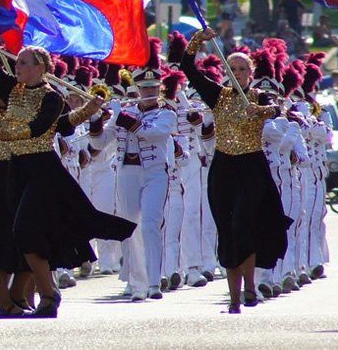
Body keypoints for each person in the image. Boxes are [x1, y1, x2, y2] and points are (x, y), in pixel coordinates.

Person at [0, 28, 131, 318]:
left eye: (23, 63)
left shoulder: (51, 96)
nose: (17, 67)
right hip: (17, 171)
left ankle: (48, 294)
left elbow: (42, 127)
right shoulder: (15, 90)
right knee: (24, 235)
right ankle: (36, 295)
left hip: (42, 170)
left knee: (25, 230)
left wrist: (3, 135)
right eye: (17, 62)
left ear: (41, 68)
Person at [179, 28, 290, 313]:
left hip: (251, 167)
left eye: (243, 68)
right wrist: (197, 41)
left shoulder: (259, 96)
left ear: (250, 72)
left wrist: (261, 111)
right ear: (228, 70)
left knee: (244, 224)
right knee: (227, 229)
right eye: (234, 68)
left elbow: (276, 109)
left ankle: (250, 286)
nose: (238, 72)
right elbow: (188, 69)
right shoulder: (219, 96)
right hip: (224, 167)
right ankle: (233, 296)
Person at [112, 43, 175, 302]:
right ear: (137, 89)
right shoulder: (125, 111)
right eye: (144, 88)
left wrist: (125, 120)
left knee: (150, 224)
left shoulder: (166, 114)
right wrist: (97, 119)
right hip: (127, 172)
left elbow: (154, 133)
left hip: (155, 174)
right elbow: (98, 142)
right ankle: (135, 282)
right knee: (129, 226)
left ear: (158, 89)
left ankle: (153, 281)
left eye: (152, 88)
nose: (148, 92)